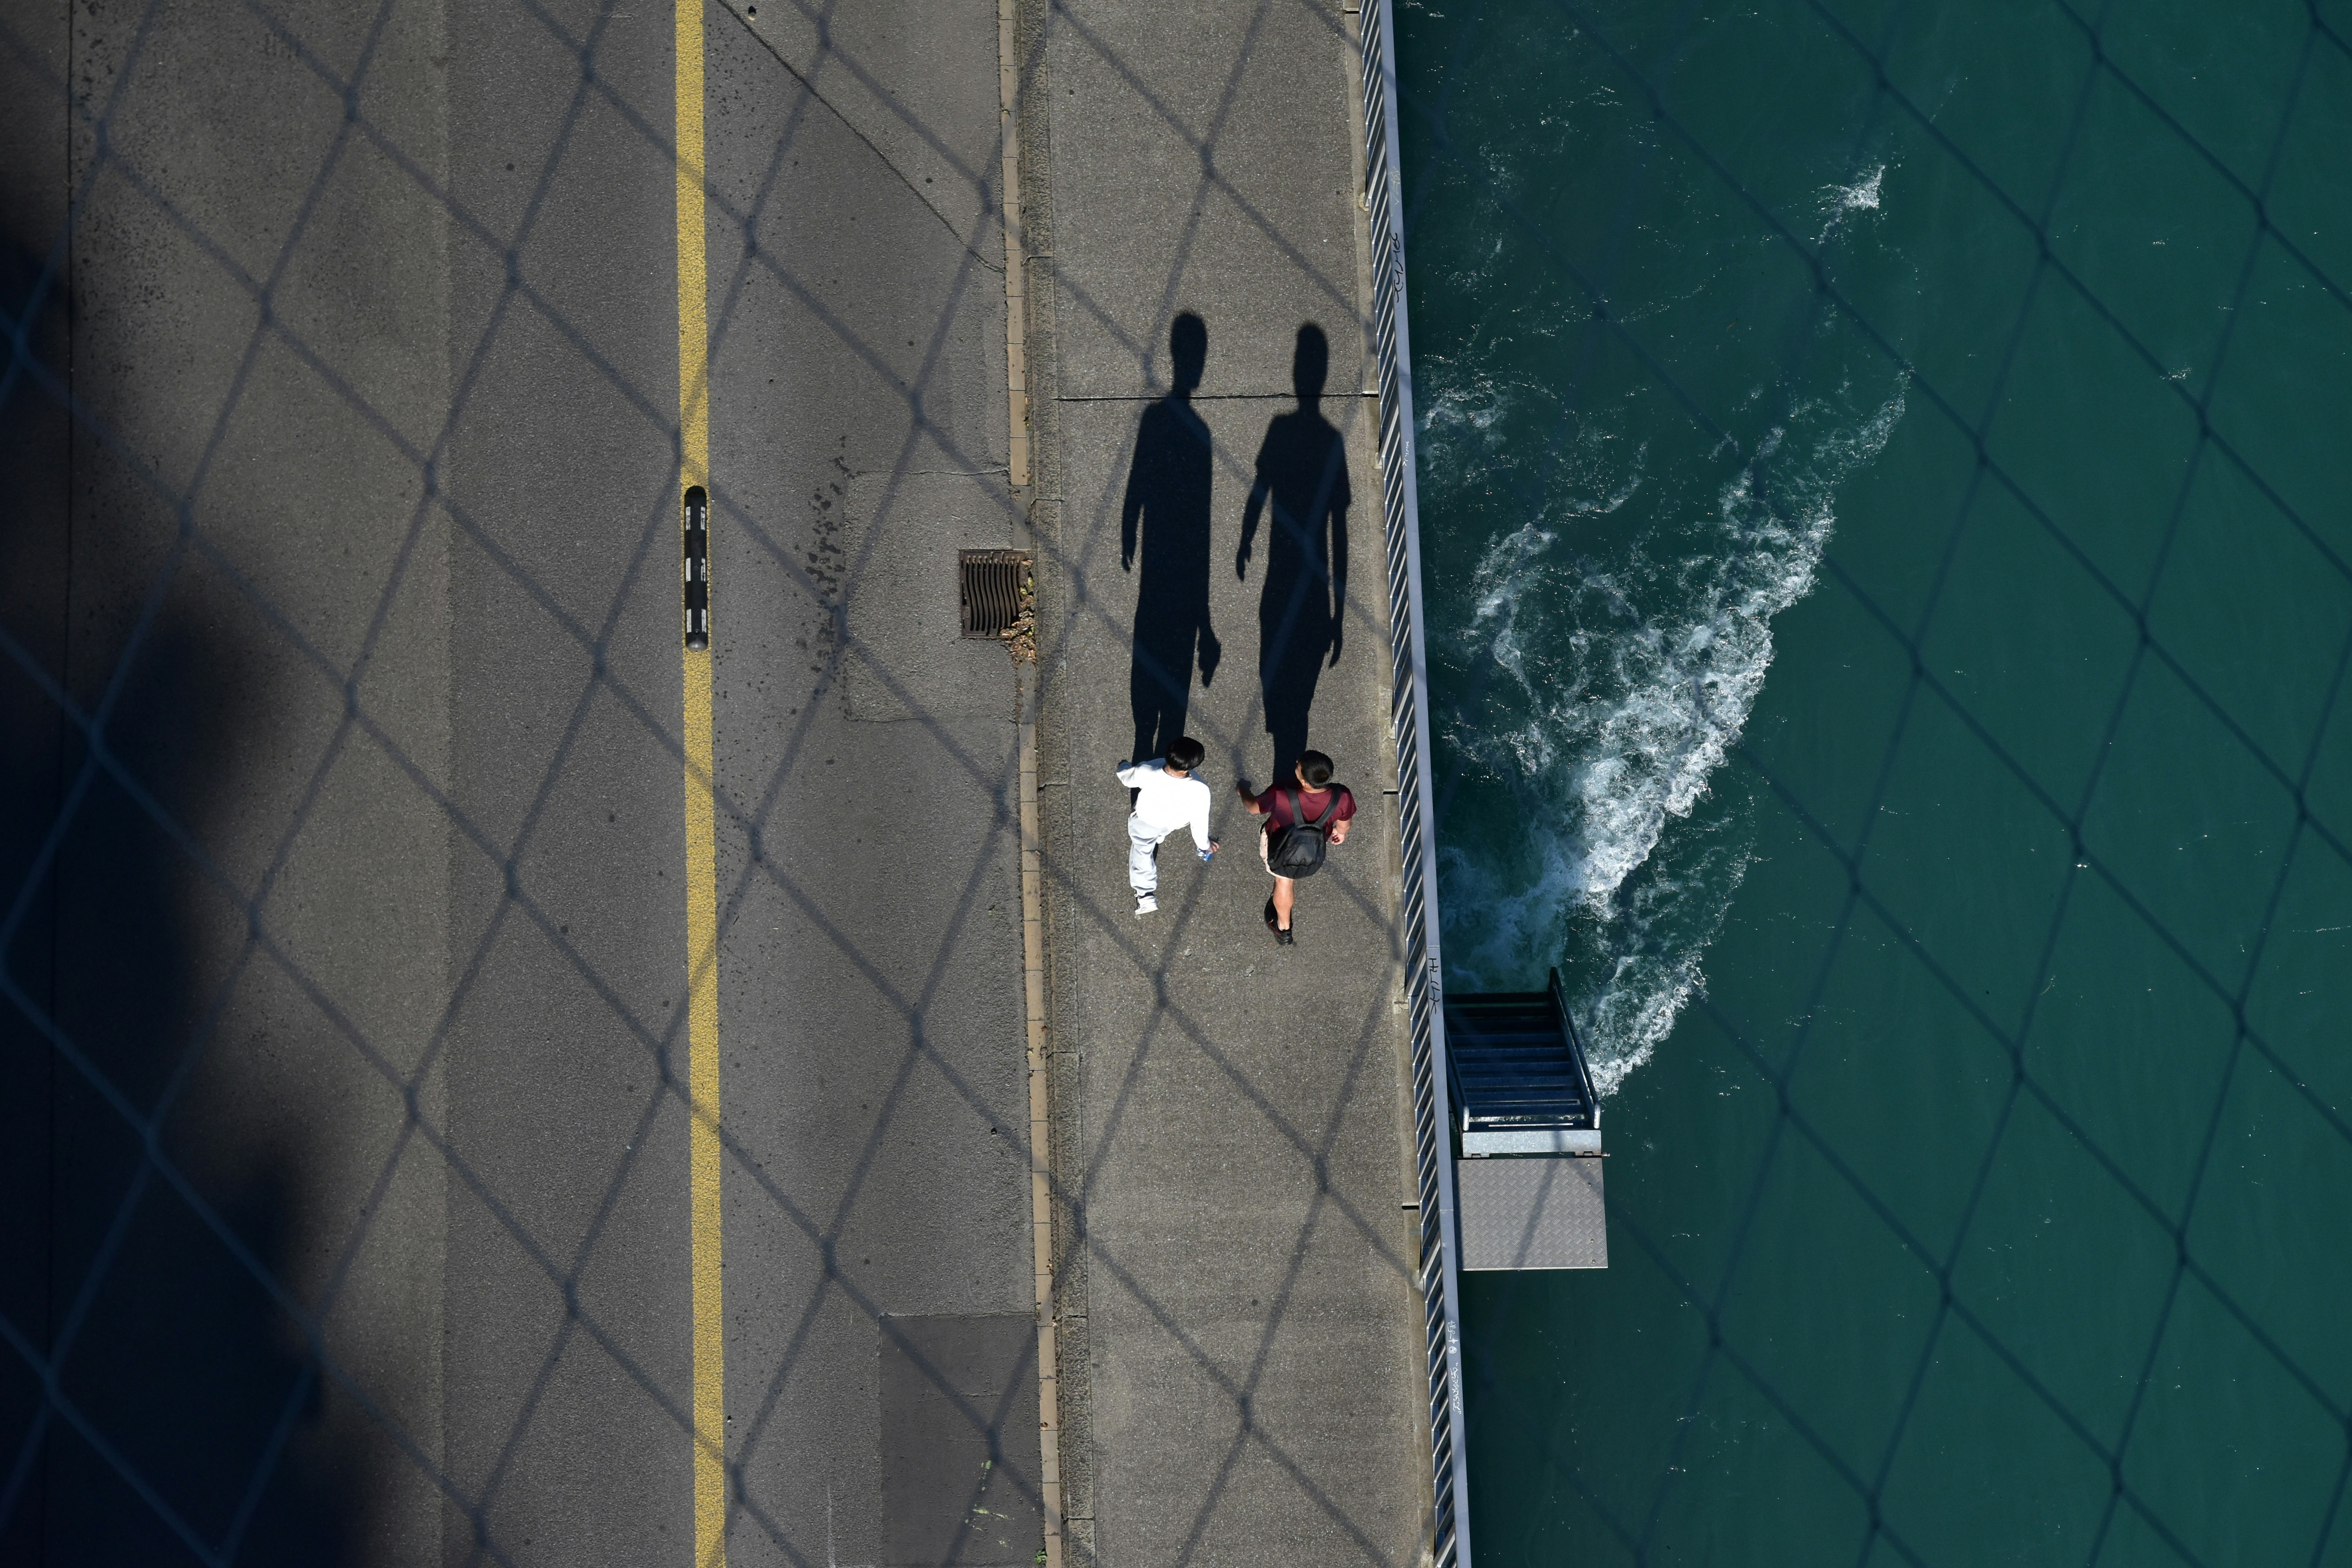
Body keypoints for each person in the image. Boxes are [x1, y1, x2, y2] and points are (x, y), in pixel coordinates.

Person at [1235, 749, 1354, 946]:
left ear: (1305, 782)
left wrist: (1244, 791)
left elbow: (1253, 808)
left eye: (1298, 766)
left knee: (1284, 882)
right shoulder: (1342, 796)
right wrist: (1341, 833)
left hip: (1280, 846)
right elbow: (1344, 823)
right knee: (1287, 880)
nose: (1296, 764)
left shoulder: (1281, 794)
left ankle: (1283, 928)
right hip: (1313, 849)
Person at [1116, 737, 1218, 916]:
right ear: (1191, 767)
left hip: (1146, 821)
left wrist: (1123, 766)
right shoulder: (1200, 789)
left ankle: (1145, 894)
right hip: (1174, 822)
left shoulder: (1148, 770)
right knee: (1161, 832)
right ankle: (1159, 837)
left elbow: (1127, 779)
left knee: (1142, 852)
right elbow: (1199, 824)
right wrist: (1205, 845)